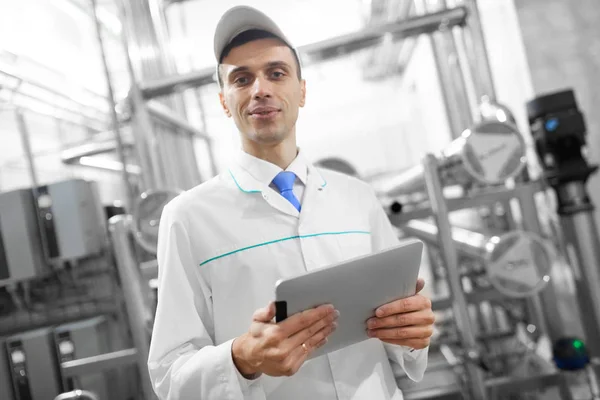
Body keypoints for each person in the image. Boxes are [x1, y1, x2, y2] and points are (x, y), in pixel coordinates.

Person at [148, 5, 434, 399]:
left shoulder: (357, 198)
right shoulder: (187, 217)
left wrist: (413, 333)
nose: (260, 89)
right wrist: (241, 357)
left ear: (302, 90)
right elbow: (168, 376)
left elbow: (400, 335)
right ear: (223, 101)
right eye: (241, 79)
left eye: (276, 73)